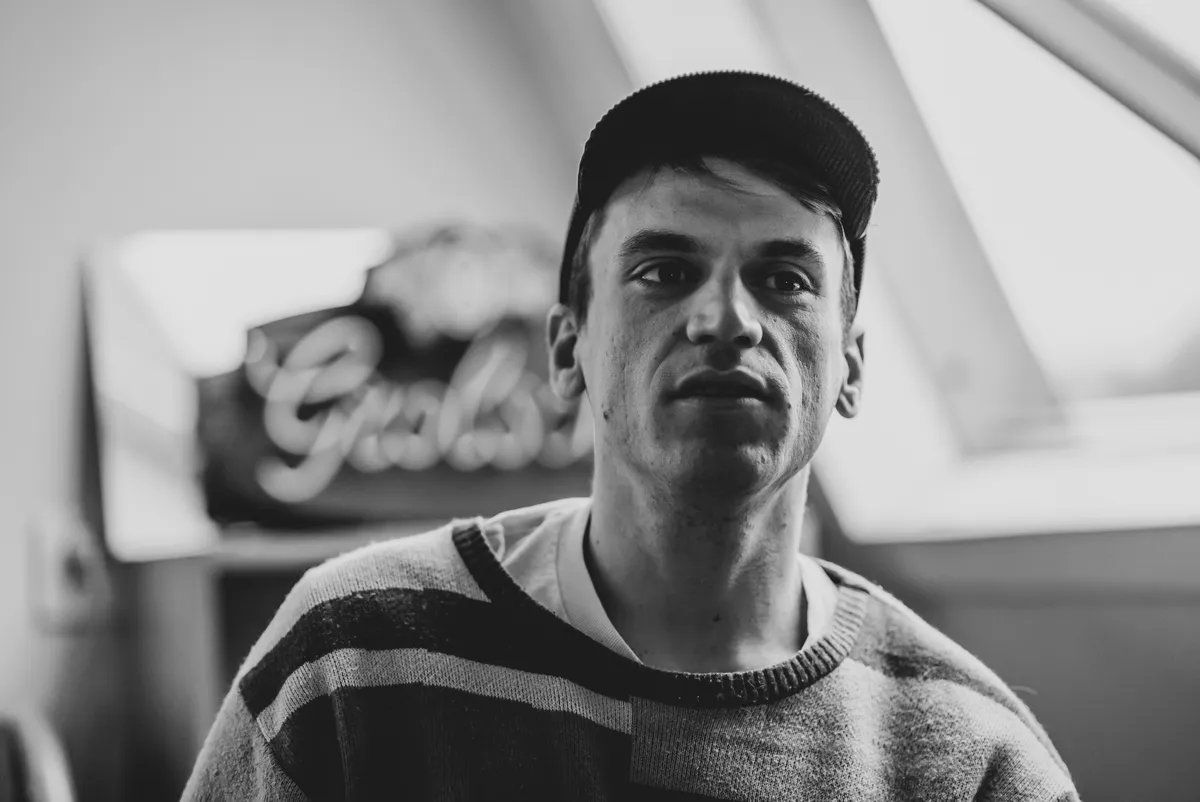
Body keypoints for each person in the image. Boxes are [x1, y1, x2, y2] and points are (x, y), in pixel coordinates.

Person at [182, 71, 1079, 801]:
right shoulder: (351, 661)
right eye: (663, 271)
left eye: (785, 280)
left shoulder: (970, 759)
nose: (727, 319)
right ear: (566, 351)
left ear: (851, 368)